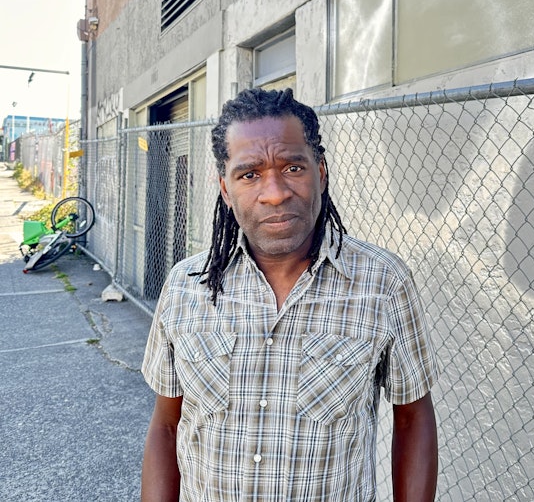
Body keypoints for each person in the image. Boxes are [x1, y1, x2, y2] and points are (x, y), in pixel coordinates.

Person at [141, 88, 438, 501]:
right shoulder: (186, 284)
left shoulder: (383, 283)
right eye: (249, 174)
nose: (275, 191)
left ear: (321, 171)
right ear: (226, 190)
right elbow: (167, 425)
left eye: (293, 167)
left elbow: (412, 418)